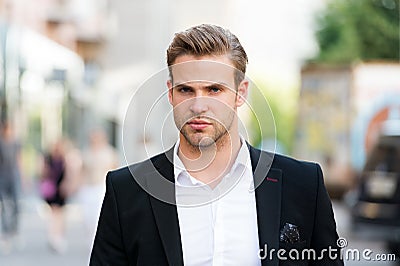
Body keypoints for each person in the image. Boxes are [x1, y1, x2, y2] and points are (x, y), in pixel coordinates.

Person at [90, 24, 343, 265]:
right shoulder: (126, 191)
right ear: (170, 93)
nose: (198, 106)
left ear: (240, 93)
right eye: (186, 90)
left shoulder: (303, 184)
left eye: (214, 90)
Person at [40, 139, 68, 253]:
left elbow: (68, 173)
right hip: (52, 189)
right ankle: (54, 236)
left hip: (60, 189)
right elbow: (43, 173)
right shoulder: (48, 159)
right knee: (55, 213)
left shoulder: (64, 159)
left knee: (59, 214)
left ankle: (57, 236)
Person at [0, 121, 21, 253]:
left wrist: (23, 177)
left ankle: (14, 230)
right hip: (2, 177)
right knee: (3, 206)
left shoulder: (16, 143)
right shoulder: (0, 143)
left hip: (13, 177)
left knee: (16, 205)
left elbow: (19, 159)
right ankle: (5, 232)